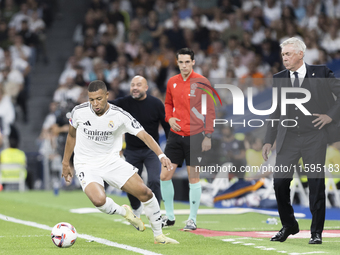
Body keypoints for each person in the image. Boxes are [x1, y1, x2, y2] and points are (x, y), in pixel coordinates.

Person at [61, 80, 178, 244]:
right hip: (86, 164)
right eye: (91, 99)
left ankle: (159, 236)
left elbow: (144, 135)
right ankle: (125, 213)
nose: (95, 103)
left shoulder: (120, 115)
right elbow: (72, 136)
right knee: (99, 201)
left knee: (146, 193)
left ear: (107, 96)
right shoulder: (78, 112)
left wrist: (161, 155)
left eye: (99, 99)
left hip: (112, 162)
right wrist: (66, 163)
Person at [262, 37, 340, 244]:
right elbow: (275, 111)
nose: (284, 58)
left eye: (288, 54)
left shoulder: (322, 73)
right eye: (283, 55)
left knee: (315, 183)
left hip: (314, 137)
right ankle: (289, 225)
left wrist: (330, 116)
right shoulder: (279, 77)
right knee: (279, 183)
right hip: (288, 139)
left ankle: (316, 232)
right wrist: (268, 140)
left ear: (300, 54)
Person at [160, 48, 215, 231]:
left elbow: (210, 110)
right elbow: (168, 104)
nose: (184, 65)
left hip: (196, 136)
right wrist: (169, 118)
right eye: (181, 62)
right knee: (165, 175)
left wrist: (208, 135)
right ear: (177, 62)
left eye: (187, 62)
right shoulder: (172, 82)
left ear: (193, 62)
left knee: (194, 178)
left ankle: (192, 219)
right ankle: (169, 217)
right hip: (175, 136)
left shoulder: (202, 82)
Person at [109, 75, 170, 217]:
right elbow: (107, 105)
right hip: (131, 151)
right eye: (132, 85)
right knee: (129, 184)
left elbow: (167, 126)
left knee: (155, 180)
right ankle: (136, 207)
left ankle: (155, 212)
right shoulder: (124, 102)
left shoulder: (156, 104)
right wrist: (92, 103)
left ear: (146, 88)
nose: (135, 88)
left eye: (138, 85)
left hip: (151, 151)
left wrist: (169, 150)